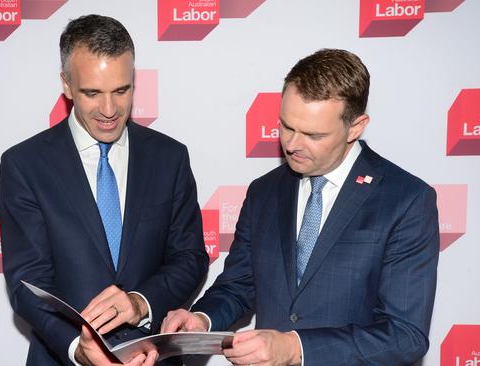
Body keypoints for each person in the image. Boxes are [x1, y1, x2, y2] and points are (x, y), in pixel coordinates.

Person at [161, 48, 439, 365]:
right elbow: (238, 286)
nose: (292, 144)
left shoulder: (405, 200)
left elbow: (405, 336)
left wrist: (296, 348)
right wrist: (202, 320)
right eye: (286, 126)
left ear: (356, 127)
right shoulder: (263, 192)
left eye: (312, 134)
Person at [0, 14, 209, 366]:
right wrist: (76, 349)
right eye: (92, 93)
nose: (109, 110)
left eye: (121, 90)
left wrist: (141, 302)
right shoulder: (25, 165)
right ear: (66, 85)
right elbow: (28, 282)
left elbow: (190, 257)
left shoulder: (170, 157)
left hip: (153, 358)